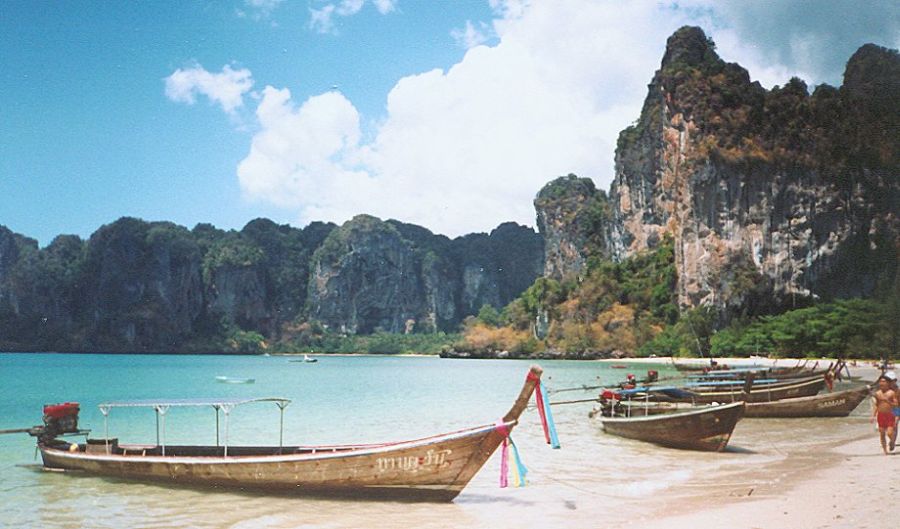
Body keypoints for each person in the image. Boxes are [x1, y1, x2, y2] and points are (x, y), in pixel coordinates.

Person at [872, 375, 898, 455]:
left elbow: (896, 404)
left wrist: (888, 401)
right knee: (882, 433)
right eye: (880, 381)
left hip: (890, 414)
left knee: (889, 432)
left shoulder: (892, 393)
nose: (881, 383)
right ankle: (885, 450)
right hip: (880, 415)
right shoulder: (877, 393)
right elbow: (876, 405)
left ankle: (892, 441)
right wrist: (873, 415)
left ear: (888, 383)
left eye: (883, 381)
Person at [886, 371, 900, 450]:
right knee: (889, 429)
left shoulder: (898, 390)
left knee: (894, 425)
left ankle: (892, 442)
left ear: (895, 380)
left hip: (897, 409)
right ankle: (892, 440)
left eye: (891, 380)